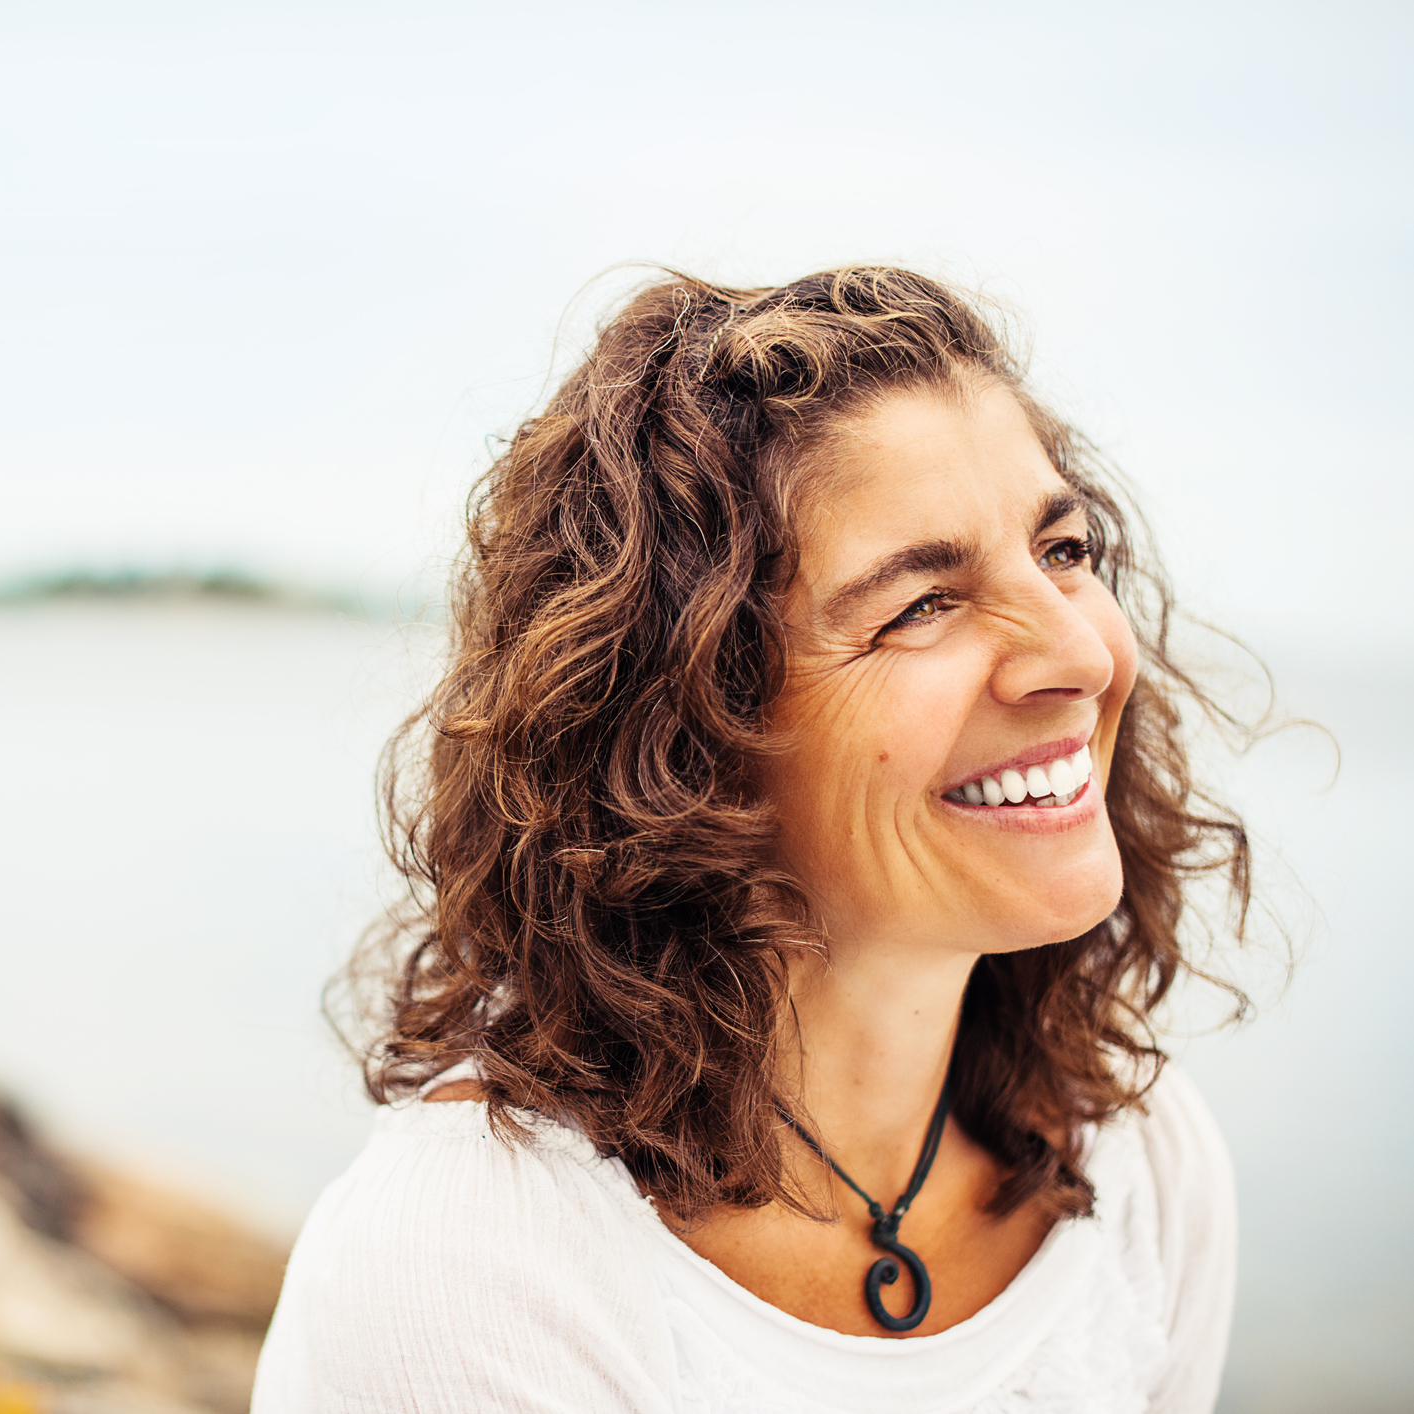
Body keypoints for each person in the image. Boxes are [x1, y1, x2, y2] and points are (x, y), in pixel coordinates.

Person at [252, 267, 1244, 1412]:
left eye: (1064, 551)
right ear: (682, 734)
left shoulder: (1144, 1153)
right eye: (921, 604)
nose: (1078, 654)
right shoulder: (472, 1262)